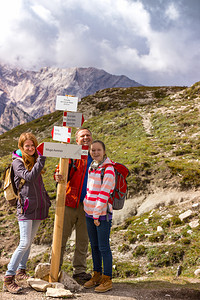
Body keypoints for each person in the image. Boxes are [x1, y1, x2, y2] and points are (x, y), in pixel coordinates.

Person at [3, 132, 51, 294]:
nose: (30, 148)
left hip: (38, 207)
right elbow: (29, 177)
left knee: (29, 241)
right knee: (24, 242)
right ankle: (9, 277)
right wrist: (41, 159)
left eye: (33, 145)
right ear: (21, 147)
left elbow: (38, 184)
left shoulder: (33, 160)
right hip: (25, 208)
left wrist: (46, 200)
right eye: (27, 146)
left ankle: (21, 271)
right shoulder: (18, 163)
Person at [54, 128, 93, 284]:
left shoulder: (96, 155)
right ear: (76, 140)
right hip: (69, 202)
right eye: (82, 136)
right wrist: (57, 175)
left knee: (83, 240)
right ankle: (55, 269)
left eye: (88, 135)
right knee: (61, 238)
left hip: (89, 205)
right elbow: (59, 171)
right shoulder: (70, 154)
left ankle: (80, 272)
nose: (85, 138)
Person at [83, 140, 115, 293]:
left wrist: (96, 215)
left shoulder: (108, 169)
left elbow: (103, 195)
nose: (95, 153)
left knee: (103, 247)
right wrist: (86, 207)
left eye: (98, 150)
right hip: (89, 213)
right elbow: (90, 190)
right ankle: (96, 275)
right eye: (93, 150)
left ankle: (107, 279)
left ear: (104, 151)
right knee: (94, 246)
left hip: (102, 215)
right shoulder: (92, 166)